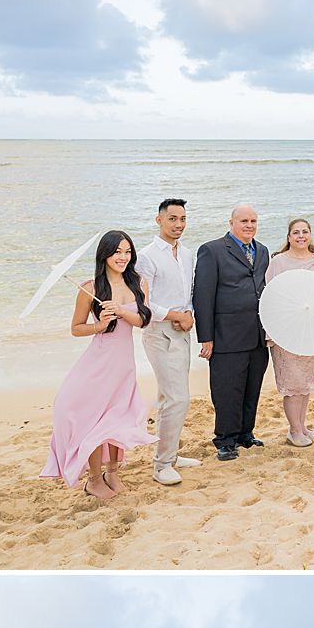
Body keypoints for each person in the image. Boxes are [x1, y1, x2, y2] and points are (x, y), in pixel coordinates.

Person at [40, 231, 153, 499]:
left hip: (123, 366)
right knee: (93, 422)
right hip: (97, 366)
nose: (123, 257)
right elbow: (76, 328)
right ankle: (93, 479)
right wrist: (100, 325)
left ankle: (112, 472)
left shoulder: (138, 283)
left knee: (118, 418)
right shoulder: (90, 289)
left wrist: (123, 311)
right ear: (105, 255)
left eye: (127, 252)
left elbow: (143, 320)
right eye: (117, 252)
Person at [194, 204, 270, 462]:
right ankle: (225, 440)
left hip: (257, 334)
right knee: (227, 390)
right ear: (231, 222)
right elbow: (202, 296)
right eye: (244, 221)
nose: (249, 225)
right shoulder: (212, 250)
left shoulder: (263, 251)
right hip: (227, 335)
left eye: (253, 221)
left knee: (252, 387)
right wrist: (206, 337)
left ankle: (245, 433)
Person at [137, 198, 200, 486]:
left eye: (183, 219)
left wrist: (189, 314)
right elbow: (144, 302)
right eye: (173, 219)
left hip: (182, 330)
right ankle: (161, 465)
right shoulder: (146, 256)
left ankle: (170, 455)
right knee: (177, 398)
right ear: (159, 220)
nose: (179, 224)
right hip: (158, 332)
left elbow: (188, 291)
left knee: (168, 398)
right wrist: (174, 314)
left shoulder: (186, 254)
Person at [264, 219, 314, 447]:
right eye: (296, 232)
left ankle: (302, 425)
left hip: (311, 328)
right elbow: (270, 296)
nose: (301, 236)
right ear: (289, 237)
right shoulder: (279, 262)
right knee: (293, 383)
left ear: (311, 235)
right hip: (287, 330)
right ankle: (293, 430)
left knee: (306, 382)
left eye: (305, 232)